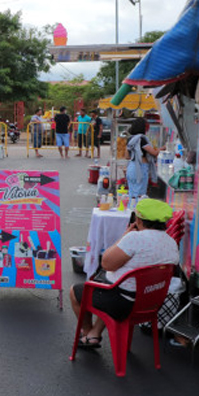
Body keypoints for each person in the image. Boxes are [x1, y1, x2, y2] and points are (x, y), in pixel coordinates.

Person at [70, 198, 179, 349]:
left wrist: (124, 235)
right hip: (151, 303)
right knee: (108, 286)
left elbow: (106, 263)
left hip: (124, 303)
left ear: (139, 220)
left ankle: (87, 333)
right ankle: (94, 334)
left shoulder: (134, 238)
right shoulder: (171, 242)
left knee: (75, 292)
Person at [126, 117, 162, 199]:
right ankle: (136, 211)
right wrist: (163, 148)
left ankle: (130, 210)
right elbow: (154, 153)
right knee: (140, 196)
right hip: (140, 169)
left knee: (132, 195)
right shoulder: (141, 139)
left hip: (131, 168)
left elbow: (127, 156)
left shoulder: (130, 139)